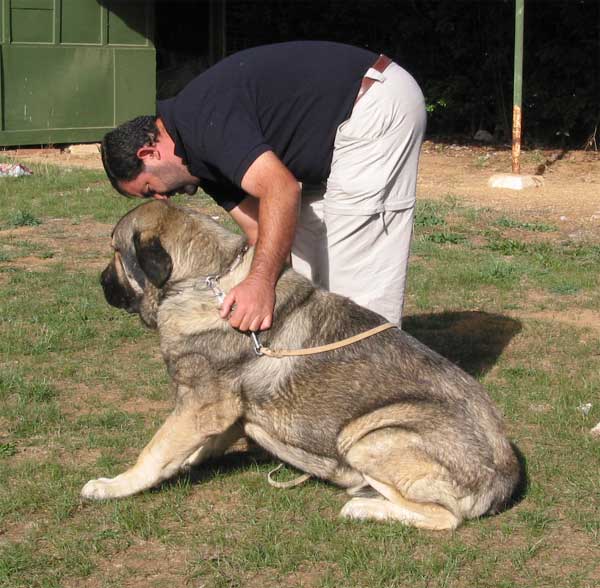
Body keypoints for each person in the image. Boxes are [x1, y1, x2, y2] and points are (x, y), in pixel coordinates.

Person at [101, 41, 426, 332]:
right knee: (301, 259)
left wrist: (260, 283)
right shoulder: (198, 164)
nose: (161, 199)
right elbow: (261, 232)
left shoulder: (201, 122)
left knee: (357, 273)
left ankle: (370, 381)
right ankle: (323, 361)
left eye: (149, 189)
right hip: (335, 139)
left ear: (149, 152)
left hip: (372, 102)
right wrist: (236, 291)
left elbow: (281, 189)